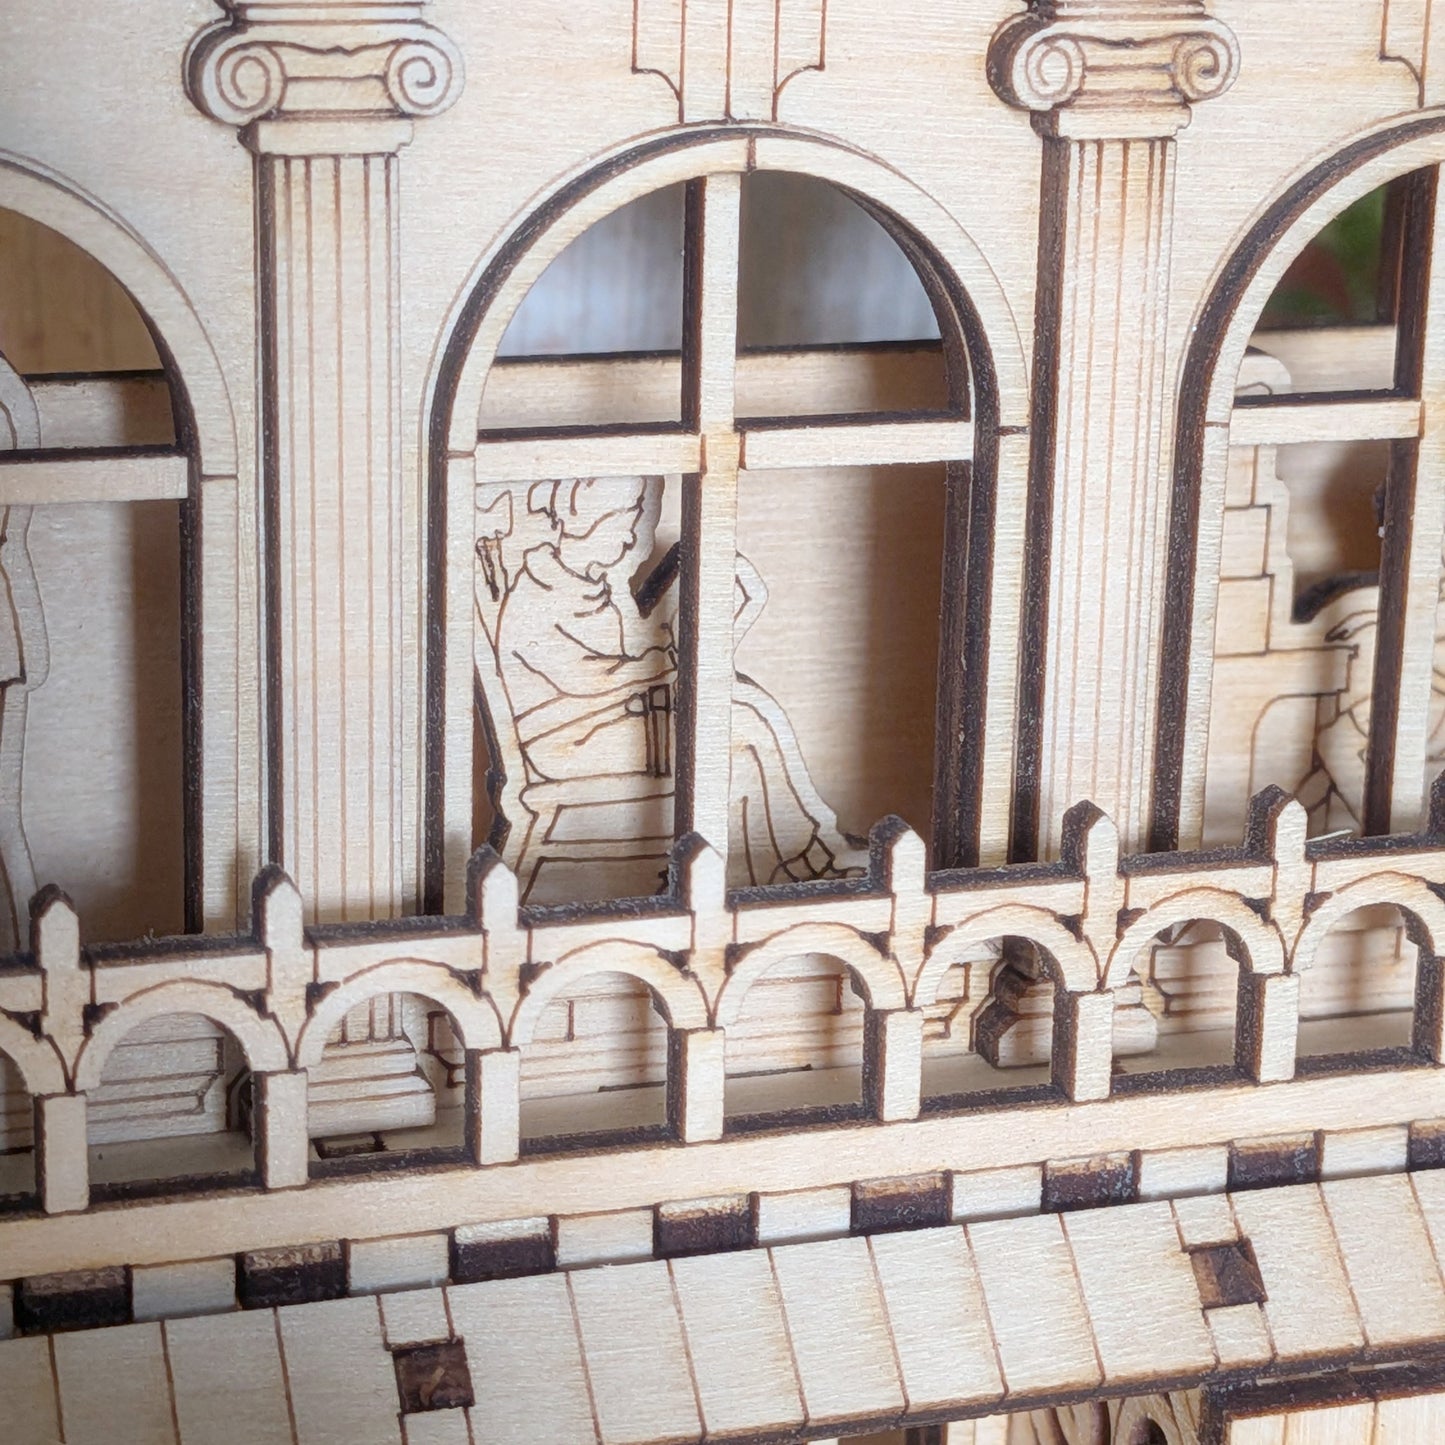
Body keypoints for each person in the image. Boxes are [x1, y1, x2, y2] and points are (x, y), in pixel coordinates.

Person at [480, 475, 865, 889]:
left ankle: (795, 856)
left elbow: (622, 664)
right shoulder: (537, 596)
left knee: (744, 709)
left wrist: (670, 648)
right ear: (586, 523)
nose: (630, 540)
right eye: (623, 523)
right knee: (743, 727)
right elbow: (589, 678)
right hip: (572, 744)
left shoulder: (594, 589)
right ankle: (799, 859)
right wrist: (661, 664)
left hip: (615, 719)